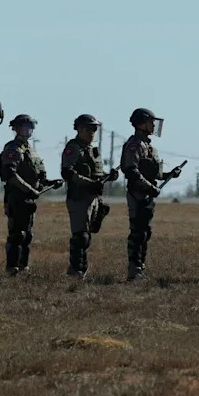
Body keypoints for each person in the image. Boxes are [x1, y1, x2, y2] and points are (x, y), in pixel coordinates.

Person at [121, 108, 182, 281]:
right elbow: (131, 171)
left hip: (147, 195)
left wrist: (169, 174)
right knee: (137, 233)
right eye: (151, 122)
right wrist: (149, 187)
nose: (154, 125)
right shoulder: (135, 145)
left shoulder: (148, 146)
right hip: (138, 194)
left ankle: (140, 268)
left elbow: (152, 172)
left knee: (145, 232)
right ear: (142, 123)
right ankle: (134, 270)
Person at [0, 114, 63, 276]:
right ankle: (12, 267)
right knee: (17, 234)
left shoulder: (30, 149)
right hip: (17, 197)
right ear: (17, 128)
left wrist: (50, 183)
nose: (30, 130)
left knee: (27, 235)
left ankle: (23, 266)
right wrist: (29, 189)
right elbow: (10, 175)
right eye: (26, 127)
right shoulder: (13, 149)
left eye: (31, 127)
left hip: (29, 198)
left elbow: (38, 175)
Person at [61, 114, 117, 278]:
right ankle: (75, 271)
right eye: (89, 129)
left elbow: (96, 174)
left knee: (87, 236)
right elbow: (67, 172)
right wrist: (90, 183)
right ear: (79, 129)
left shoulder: (93, 150)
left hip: (93, 198)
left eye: (95, 129)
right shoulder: (74, 148)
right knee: (80, 237)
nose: (92, 132)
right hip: (79, 198)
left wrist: (109, 176)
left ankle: (81, 270)